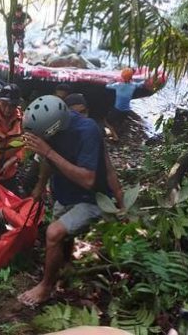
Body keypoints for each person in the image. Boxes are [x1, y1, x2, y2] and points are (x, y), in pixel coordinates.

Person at [18, 95, 124, 307]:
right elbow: (47, 161)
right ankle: (65, 266)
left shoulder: (87, 131)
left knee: (53, 233)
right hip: (65, 193)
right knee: (61, 236)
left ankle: (46, 287)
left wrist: (120, 202)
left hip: (93, 197)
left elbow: (89, 179)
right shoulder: (51, 128)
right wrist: (40, 186)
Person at [64, 93, 125, 207]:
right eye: (75, 113)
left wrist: (120, 201)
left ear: (88, 112)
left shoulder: (92, 134)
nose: (80, 118)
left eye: (83, 112)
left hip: (92, 198)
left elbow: (108, 169)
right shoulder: (60, 136)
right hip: (67, 196)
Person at [105, 68, 144, 139]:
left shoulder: (118, 85)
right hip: (126, 110)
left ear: (122, 76)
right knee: (120, 123)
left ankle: (115, 135)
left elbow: (107, 86)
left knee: (106, 121)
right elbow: (141, 84)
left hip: (117, 109)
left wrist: (111, 80)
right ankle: (119, 132)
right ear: (131, 77)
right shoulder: (133, 85)